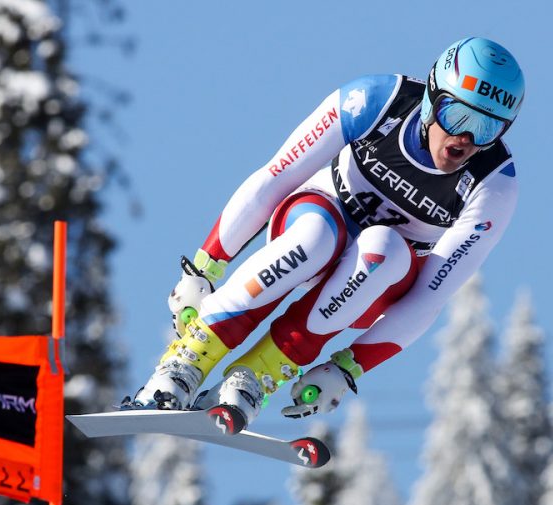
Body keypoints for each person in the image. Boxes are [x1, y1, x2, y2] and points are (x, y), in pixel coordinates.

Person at [132, 36, 525, 428]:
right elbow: (276, 177)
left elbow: (431, 294)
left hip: (373, 279)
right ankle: (188, 361)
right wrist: (205, 268)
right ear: (430, 98)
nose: (465, 140)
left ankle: (255, 376)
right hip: (314, 219)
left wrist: (348, 366)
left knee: (383, 247)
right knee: (316, 237)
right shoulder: (376, 100)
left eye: (487, 127)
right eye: (458, 117)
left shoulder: (493, 185)